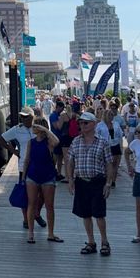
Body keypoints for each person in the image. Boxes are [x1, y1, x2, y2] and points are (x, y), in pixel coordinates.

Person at [66, 111, 115, 257]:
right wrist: (70, 179)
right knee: (85, 214)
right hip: (81, 181)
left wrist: (108, 183)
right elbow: (70, 161)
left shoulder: (102, 142)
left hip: (97, 181)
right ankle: (91, 242)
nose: (82, 125)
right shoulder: (76, 141)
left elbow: (109, 163)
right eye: (80, 123)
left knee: (99, 214)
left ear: (94, 124)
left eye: (85, 123)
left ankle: (104, 242)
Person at [0, 108, 46, 229]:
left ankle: (36, 213)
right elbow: (1, 139)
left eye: (26, 117)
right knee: (25, 194)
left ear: (32, 117)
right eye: (22, 117)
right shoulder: (17, 129)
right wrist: (13, 151)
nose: (24, 119)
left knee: (42, 194)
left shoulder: (38, 127)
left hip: (40, 164)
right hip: (24, 166)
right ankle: (26, 219)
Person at [24, 118, 62, 244]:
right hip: (32, 175)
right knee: (31, 204)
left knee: (49, 205)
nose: (33, 127)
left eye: (36, 126)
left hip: (47, 176)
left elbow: (57, 142)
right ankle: (30, 233)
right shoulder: (31, 142)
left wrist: (45, 130)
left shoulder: (48, 142)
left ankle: (50, 233)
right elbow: (27, 160)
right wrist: (23, 177)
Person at [101, 108, 123, 187]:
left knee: (116, 164)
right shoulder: (100, 125)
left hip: (116, 144)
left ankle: (113, 180)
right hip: (106, 145)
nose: (111, 116)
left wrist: (121, 145)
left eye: (112, 115)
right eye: (109, 115)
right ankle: (108, 179)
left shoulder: (116, 124)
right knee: (108, 163)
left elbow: (120, 134)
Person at [49, 100, 67, 181]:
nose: (63, 110)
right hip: (55, 138)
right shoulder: (53, 115)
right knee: (55, 158)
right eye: (62, 109)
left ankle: (59, 173)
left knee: (60, 157)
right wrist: (62, 120)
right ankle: (52, 173)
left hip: (61, 138)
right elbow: (56, 126)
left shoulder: (59, 115)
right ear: (58, 107)